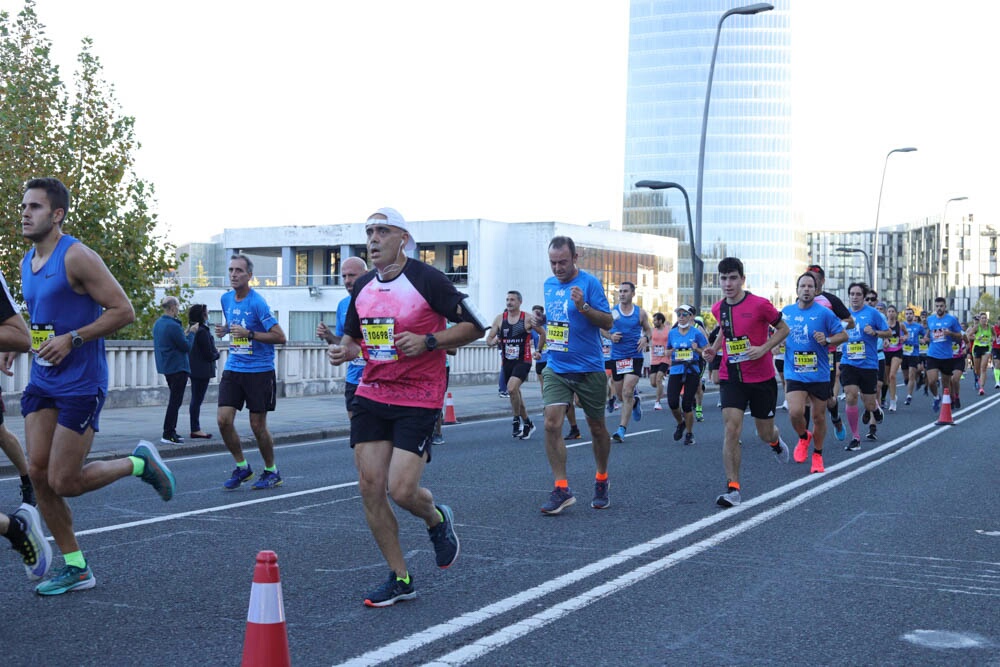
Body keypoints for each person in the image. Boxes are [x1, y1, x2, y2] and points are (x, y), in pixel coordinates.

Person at [19, 177, 175, 595]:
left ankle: (139, 464)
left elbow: (123, 310)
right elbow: (41, 319)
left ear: (57, 215)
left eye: (35, 207)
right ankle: (75, 566)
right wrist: (19, 347)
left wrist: (73, 339)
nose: (25, 213)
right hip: (42, 380)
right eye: (24, 206)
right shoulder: (26, 262)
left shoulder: (77, 257)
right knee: (37, 473)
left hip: (81, 383)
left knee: (64, 481)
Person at [328, 207, 486, 607]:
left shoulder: (427, 279)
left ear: (403, 238)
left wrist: (429, 340)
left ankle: (436, 518)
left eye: (382, 231)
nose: (373, 239)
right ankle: (400, 577)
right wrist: (342, 350)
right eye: (369, 232)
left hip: (419, 394)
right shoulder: (362, 286)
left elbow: (476, 326)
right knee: (369, 487)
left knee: (401, 490)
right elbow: (352, 338)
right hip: (372, 391)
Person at [702, 257, 790, 508]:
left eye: (732, 278)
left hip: (761, 378)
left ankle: (775, 441)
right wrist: (714, 349)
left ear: (742, 279)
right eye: (723, 278)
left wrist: (764, 348)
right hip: (733, 377)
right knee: (731, 429)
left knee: (765, 432)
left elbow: (783, 330)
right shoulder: (719, 308)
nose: (727, 283)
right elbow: (724, 329)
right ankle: (733, 489)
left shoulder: (761, 305)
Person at [536, 236, 614, 513]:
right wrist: (540, 321)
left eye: (563, 262)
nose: (557, 268)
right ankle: (561, 488)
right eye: (553, 263)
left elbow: (607, 320)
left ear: (575, 257)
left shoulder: (589, 283)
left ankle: (601, 478)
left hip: (589, 367)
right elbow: (558, 318)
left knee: (596, 429)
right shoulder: (548, 285)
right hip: (557, 365)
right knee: (551, 424)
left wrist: (584, 307)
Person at [215, 254, 288, 490]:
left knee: (257, 425)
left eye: (239, 270)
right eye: (231, 270)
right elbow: (235, 325)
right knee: (223, 420)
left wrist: (250, 335)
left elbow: (280, 337)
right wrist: (225, 330)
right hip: (234, 367)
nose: (234, 274)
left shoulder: (258, 303)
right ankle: (242, 467)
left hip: (259, 371)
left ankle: (271, 471)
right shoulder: (226, 299)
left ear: (249, 276)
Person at [781, 272, 848, 473]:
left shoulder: (825, 313)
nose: (807, 289)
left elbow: (843, 335)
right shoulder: (787, 312)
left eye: (810, 286)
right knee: (795, 412)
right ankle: (803, 437)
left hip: (818, 373)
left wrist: (827, 340)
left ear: (815, 290)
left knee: (819, 417)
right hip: (794, 372)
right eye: (803, 286)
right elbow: (776, 333)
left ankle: (817, 454)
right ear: (797, 290)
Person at [486, 290, 545, 440]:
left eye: (512, 299)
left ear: (519, 302)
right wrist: (495, 341)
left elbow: (543, 333)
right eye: (507, 299)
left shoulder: (527, 318)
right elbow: (489, 339)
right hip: (507, 362)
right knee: (515, 393)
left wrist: (538, 350)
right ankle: (528, 423)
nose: (509, 302)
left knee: (511, 388)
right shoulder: (500, 319)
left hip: (523, 360)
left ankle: (515, 420)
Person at [805, 265, 854, 441]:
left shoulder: (830, 300)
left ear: (822, 281)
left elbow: (850, 322)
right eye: (808, 277)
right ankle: (803, 437)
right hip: (805, 354)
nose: (811, 281)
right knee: (803, 395)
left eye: (815, 277)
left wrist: (831, 334)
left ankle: (835, 418)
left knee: (827, 399)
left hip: (827, 353)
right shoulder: (800, 300)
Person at [840, 283, 890, 451]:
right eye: (852, 294)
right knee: (851, 396)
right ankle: (855, 437)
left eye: (858, 294)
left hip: (868, 363)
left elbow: (888, 332)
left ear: (863, 297)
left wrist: (875, 333)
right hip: (848, 362)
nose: (854, 297)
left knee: (868, 403)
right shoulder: (843, 315)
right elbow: (834, 333)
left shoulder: (873, 314)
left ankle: (875, 409)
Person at [317, 256, 369, 419]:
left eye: (352, 275)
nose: (347, 280)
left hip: (377, 378)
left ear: (366, 275)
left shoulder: (381, 299)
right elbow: (344, 342)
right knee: (357, 435)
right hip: (353, 378)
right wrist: (329, 336)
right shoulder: (343, 305)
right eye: (344, 276)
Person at [602, 281, 652, 443]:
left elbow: (648, 329)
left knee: (627, 391)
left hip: (634, 357)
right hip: (617, 357)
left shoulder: (640, 313)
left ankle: (621, 429)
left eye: (625, 291)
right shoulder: (614, 312)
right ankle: (636, 401)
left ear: (632, 294)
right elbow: (602, 328)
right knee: (620, 396)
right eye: (620, 291)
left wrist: (645, 338)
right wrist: (610, 336)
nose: (622, 294)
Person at [152, 296, 195, 445]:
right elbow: (186, 347)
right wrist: (193, 333)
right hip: (178, 367)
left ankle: (171, 431)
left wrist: (186, 333)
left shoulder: (159, 324)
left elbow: (173, 341)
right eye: (177, 306)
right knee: (175, 402)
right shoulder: (172, 325)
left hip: (167, 367)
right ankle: (168, 433)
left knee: (174, 401)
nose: (178, 309)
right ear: (172, 307)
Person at [665, 305, 707, 446]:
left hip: (691, 371)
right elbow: (668, 350)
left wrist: (698, 349)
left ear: (690, 317)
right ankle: (680, 423)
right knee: (672, 402)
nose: (681, 317)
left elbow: (707, 353)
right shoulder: (672, 333)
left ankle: (689, 434)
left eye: (684, 315)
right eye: (679, 315)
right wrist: (668, 353)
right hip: (676, 370)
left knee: (687, 404)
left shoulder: (696, 333)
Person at [924, 297, 965, 415]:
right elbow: (929, 333)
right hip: (932, 354)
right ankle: (936, 397)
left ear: (945, 307)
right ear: (934, 307)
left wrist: (951, 333)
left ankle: (947, 404)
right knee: (931, 381)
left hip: (946, 356)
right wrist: (926, 338)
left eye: (941, 306)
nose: (939, 308)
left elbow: (959, 336)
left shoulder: (951, 320)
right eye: (937, 306)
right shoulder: (930, 319)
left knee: (946, 384)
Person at [187, 303, 219, 439]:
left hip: (194, 369)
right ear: (202, 315)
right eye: (206, 312)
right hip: (202, 370)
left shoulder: (192, 330)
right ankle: (195, 429)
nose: (208, 315)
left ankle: (195, 427)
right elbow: (208, 353)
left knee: (195, 399)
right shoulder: (203, 331)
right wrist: (216, 354)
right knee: (197, 400)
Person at [882, 305, 907, 411]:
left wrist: (904, 338)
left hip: (897, 352)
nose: (891, 313)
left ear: (896, 313)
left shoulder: (900, 325)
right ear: (886, 313)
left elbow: (906, 334)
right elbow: (880, 336)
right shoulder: (883, 325)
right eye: (889, 311)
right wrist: (884, 341)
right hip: (886, 353)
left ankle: (892, 401)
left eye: (893, 311)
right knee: (886, 379)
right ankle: (891, 396)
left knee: (892, 375)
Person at [901, 307, 925, 405]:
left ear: (913, 315)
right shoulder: (902, 325)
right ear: (905, 315)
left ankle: (909, 396)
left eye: (910, 313)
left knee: (911, 375)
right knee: (906, 377)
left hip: (914, 353)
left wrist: (923, 340)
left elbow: (925, 336)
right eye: (907, 314)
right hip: (903, 353)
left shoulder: (918, 326)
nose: (909, 315)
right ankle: (911, 381)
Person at [966, 312, 991, 397]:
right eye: (982, 318)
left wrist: (992, 339)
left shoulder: (990, 328)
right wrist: (977, 338)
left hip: (986, 348)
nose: (984, 320)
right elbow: (968, 336)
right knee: (977, 370)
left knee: (983, 368)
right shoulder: (975, 328)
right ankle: (977, 378)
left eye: (985, 318)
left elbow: (994, 336)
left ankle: (981, 388)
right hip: (976, 348)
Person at [648, 312, 670, 411]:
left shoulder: (668, 330)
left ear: (660, 321)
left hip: (665, 358)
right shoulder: (652, 331)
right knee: (653, 383)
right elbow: (647, 340)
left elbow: (672, 343)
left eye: (655, 320)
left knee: (658, 379)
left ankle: (657, 402)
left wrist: (670, 351)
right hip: (654, 358)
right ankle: (661, 388)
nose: (654, 322)